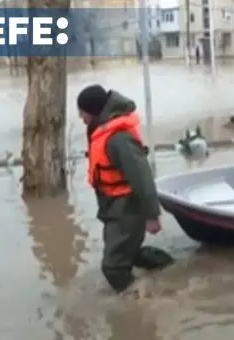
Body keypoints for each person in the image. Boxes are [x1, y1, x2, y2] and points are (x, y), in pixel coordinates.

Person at [78, 84, 174, 294]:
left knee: (113, 267)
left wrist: (152, 214)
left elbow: (142, 177)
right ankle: (169, 270)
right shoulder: (101, 131)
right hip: (114, 208)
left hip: (128, 207)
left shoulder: (119, 138)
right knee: (125, 255)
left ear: (93, 111)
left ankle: (137, 300)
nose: (81, 118)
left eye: (82, 113)